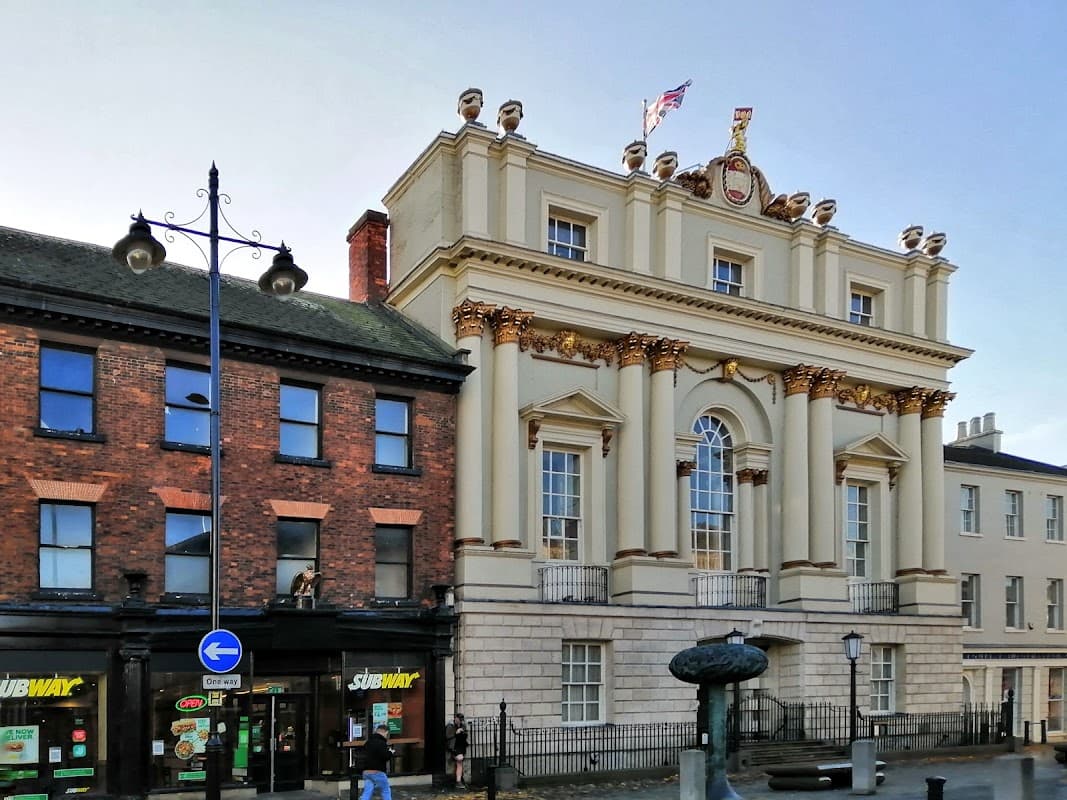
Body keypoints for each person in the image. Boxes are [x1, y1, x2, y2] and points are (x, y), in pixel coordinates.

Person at [360, 724, 394, 800]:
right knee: (385, 790)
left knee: (367, 792)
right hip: (377, 771)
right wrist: (390, 752)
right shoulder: (381, 743)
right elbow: (385, 756)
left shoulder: (368, 742)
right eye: (387, 734)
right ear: (386, 732)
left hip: (366, 772)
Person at [451, 713, 468, 790]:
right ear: (455, 718)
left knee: (459, 763)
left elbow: (465, 735)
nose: (459, 721)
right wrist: (456, 733)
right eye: (458, 719)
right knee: (460, 760)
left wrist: (463, 732)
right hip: (454, 747)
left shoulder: (463, 725)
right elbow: (448, 736)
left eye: (461, 720)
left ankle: (459, 780)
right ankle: (458, 780)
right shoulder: (450, 725)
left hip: (461, 747)